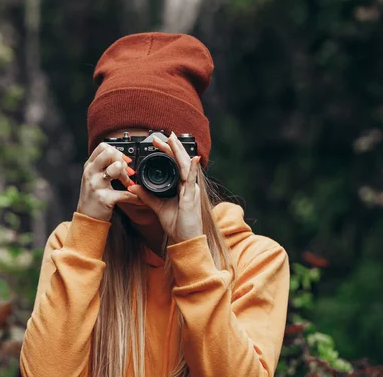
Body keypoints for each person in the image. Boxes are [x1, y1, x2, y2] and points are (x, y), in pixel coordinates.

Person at [19, 32, 290, 377]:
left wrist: (192, 252)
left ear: (193, 161)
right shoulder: (71, 245)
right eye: (124, 154)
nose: (137, 174)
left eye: (154, 155)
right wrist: (86, 232)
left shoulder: (257, 258)